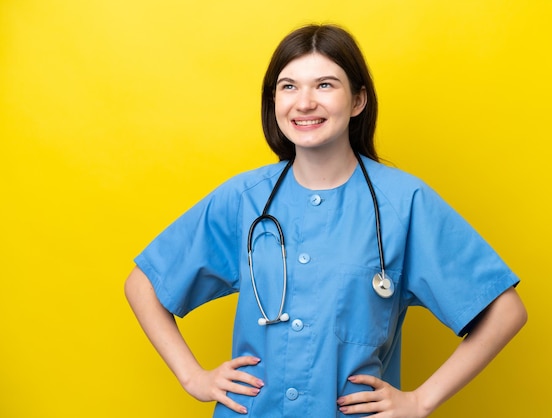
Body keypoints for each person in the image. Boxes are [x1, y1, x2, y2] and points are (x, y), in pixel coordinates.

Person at [124, 24, 527, 417]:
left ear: (357, 101)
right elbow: (144, 283)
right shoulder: (244, 198)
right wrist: (194, 378)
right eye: (288, 86)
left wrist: (420, 401)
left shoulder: (404, 203)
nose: (304, 102)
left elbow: (505, 311)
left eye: (325, 85)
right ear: (274, 102)